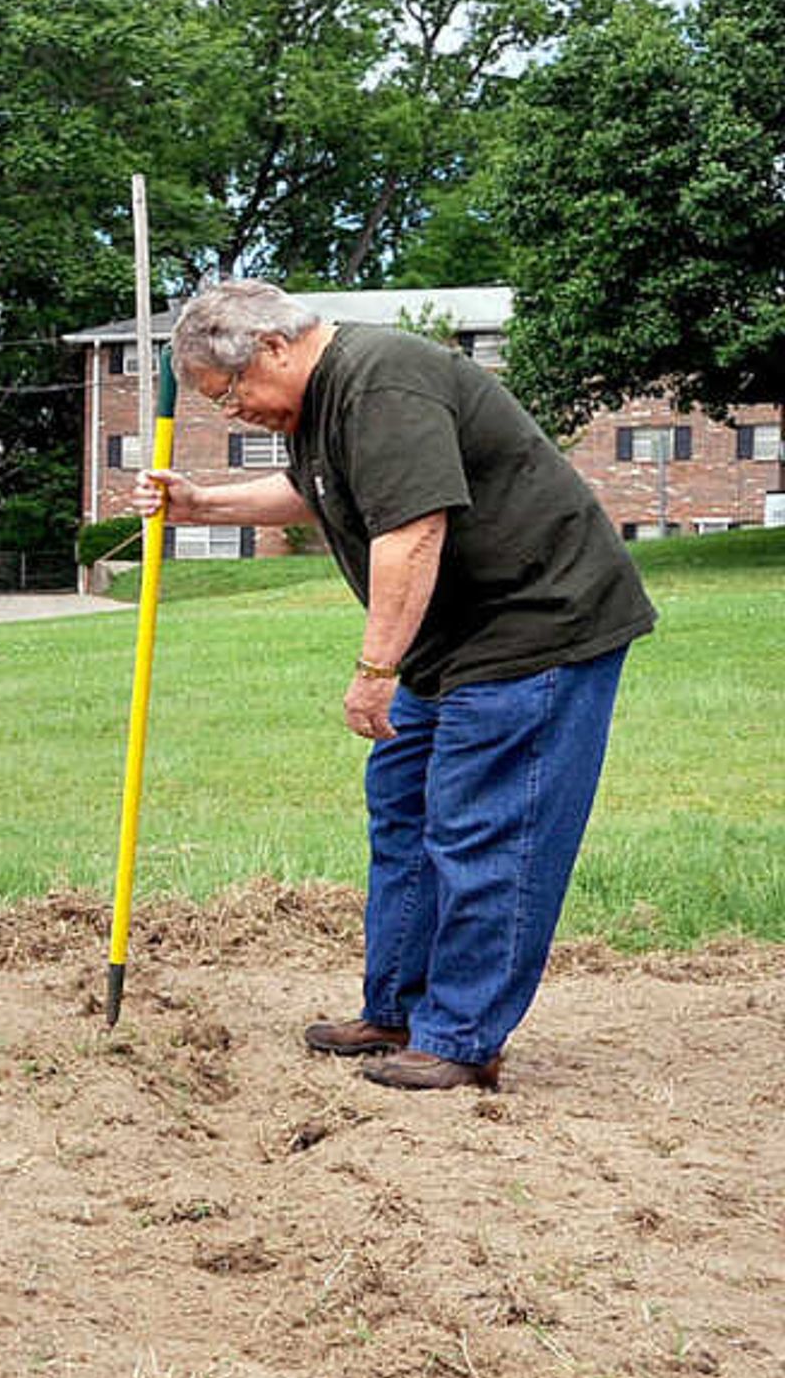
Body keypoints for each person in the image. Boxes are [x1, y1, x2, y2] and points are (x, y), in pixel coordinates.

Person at [144, 281, 655, 1091]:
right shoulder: (323, 406)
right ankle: (399, 1010)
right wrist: (205, 503)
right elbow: (323, 490)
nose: (231, 411)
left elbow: (414, 527)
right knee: (406, 813)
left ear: (274, 348)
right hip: (450, 644)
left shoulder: (381, 382)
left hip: (534, 629)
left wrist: (375, 671)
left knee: (488, 831)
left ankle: (462, 1039)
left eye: (230, 391)